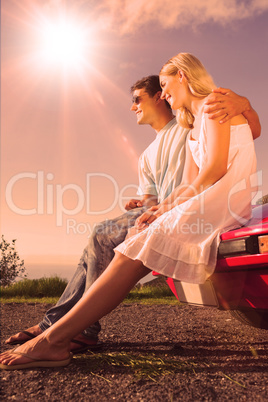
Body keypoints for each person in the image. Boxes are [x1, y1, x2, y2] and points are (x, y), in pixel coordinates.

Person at [0, 55, 259, 369]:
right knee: (134, 240)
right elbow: (189, 184)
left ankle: (54, 338)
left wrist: (244, 103)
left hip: (223, 204)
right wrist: (161, 208)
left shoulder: (215, 104)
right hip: (204, 202)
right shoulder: (192, 128)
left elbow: (216, 169)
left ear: (181, 75)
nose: (163, 93)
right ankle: (57, 335)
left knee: (130, 248)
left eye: (164, 85)